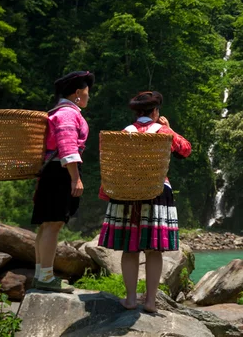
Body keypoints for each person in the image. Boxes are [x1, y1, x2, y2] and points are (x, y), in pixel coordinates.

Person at [97, 91, 192, 313]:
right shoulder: (164, 131)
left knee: (130, 249)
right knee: (154, 250)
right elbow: (185, 149)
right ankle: (150, 302)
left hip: (128, 194)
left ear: (136, 112)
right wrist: (170, 127)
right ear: (156, 111)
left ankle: (130, 299)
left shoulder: (124, 133)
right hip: (156, 192)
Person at [32, 70, 94, 293]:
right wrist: (75, 178)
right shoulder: (68, 114)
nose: (89, 96)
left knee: (47, 225)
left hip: (52, 171)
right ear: (78, 93)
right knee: (53, 224)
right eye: (87, 92)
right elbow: (68, 146)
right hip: (61, 172)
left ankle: (41, 274)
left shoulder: (57, 112)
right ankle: (46, 277)